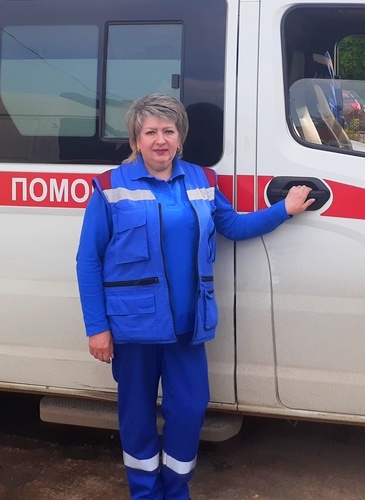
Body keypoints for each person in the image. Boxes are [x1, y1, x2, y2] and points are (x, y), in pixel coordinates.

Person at [76, 93, 314, 500]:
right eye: (150, 132)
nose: (160, 140)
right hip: (134, 327)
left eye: (169, 131)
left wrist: (283, 210)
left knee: (188, 410)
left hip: (188, 326)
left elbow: (232, 227)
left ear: (181, 138)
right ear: (135, 140)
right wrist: (97, 327)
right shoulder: (110, 186)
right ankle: (145, 493)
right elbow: (88, 261)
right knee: (136, 416)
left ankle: (176, 490)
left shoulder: (202, 181)